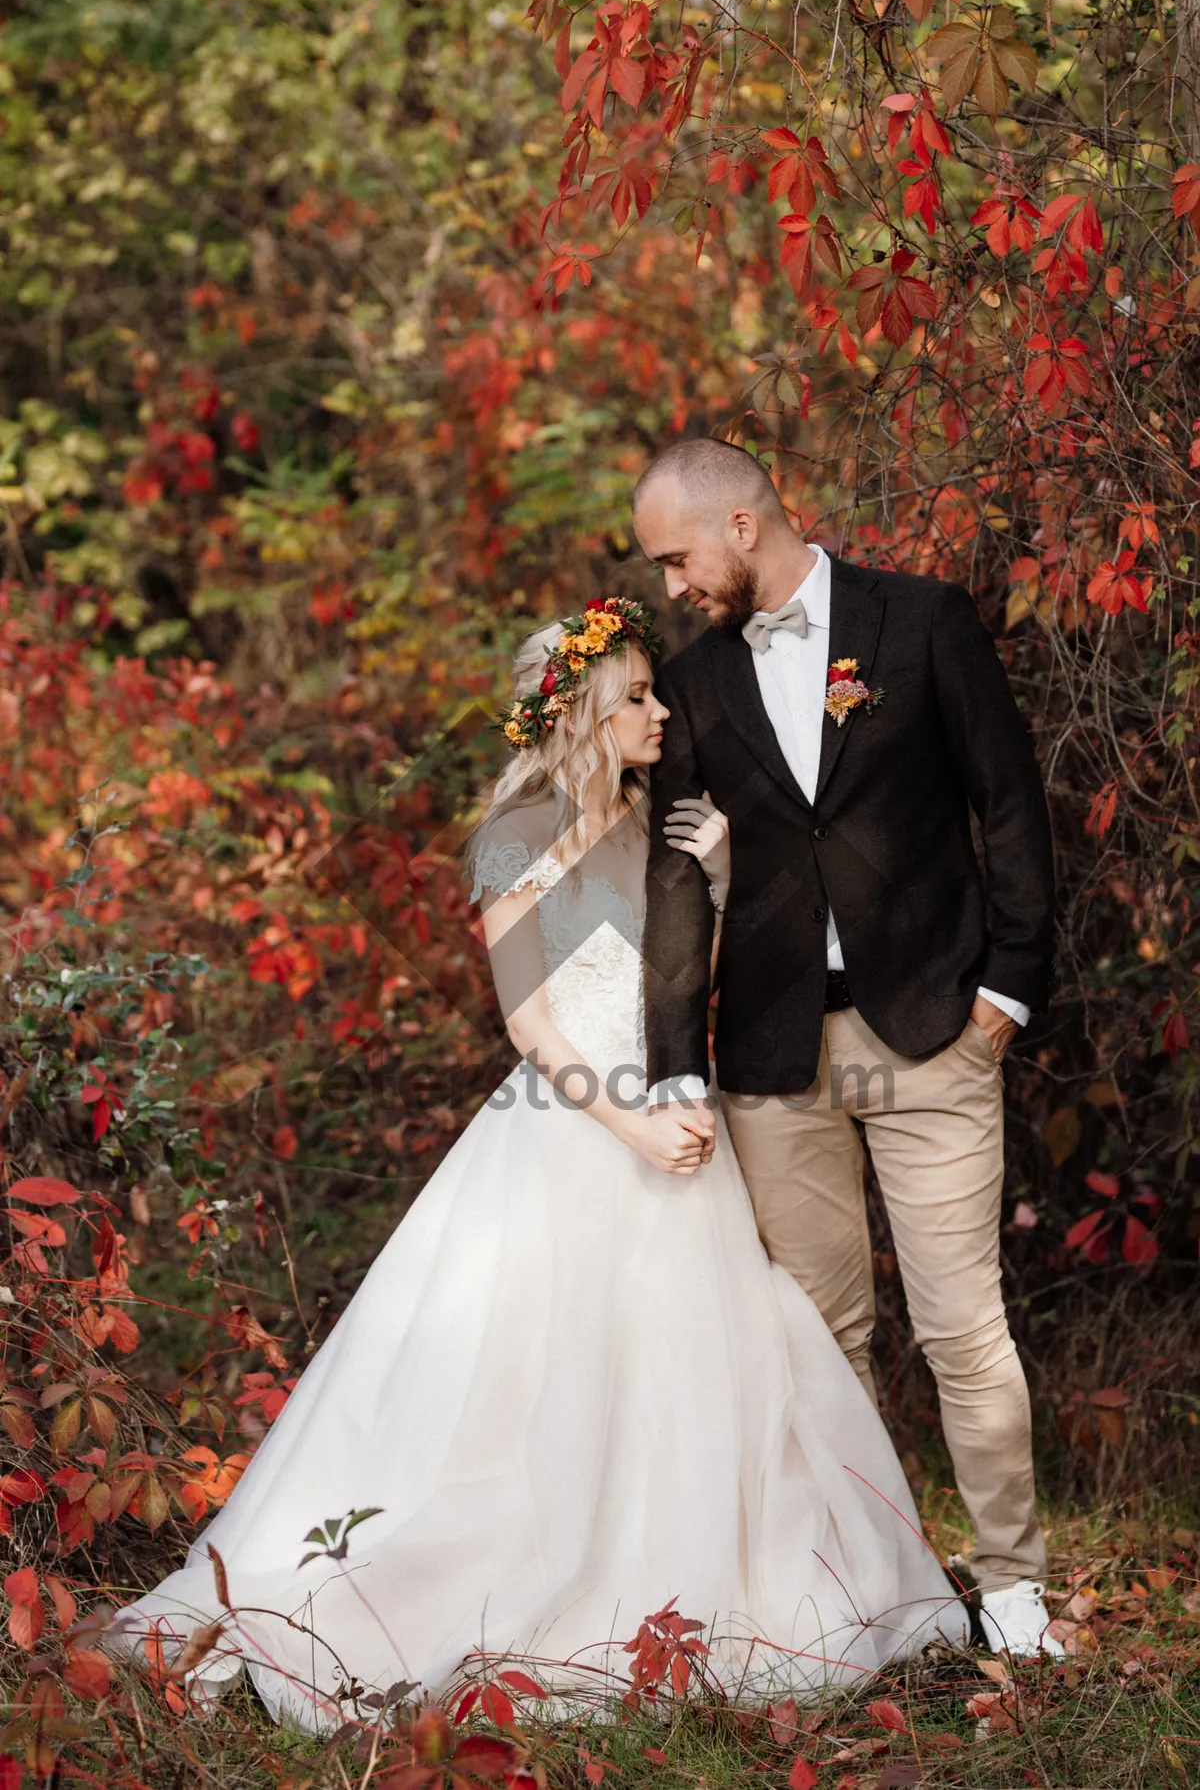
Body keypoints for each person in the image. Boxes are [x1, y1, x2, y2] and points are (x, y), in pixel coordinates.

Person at [103, 596, 969, 1735]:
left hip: (674, 1122)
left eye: (657, 693)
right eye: (640, 700)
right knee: (526, 1379)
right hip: (573, 1128)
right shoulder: (516, 836)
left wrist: (712, 880)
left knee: (701, 1368)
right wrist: (635, 1129)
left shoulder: (666, 821)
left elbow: (680, 997)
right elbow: (531, 1027)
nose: (663, 713)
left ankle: (695, 1578)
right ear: (584, 717)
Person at [634, 438, 1061, 1659]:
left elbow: (1009, 802)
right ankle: (874, 1592)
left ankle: (1016, 1590)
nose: (672, 584)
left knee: (961, 1328)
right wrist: (676, 1059)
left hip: (934, 1029)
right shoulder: (697, 678)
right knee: (821, 1340)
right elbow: (678, 874)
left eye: (676, 557)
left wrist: (1010, 989)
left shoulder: (921, 621)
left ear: (742, 528)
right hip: (774, 1058)